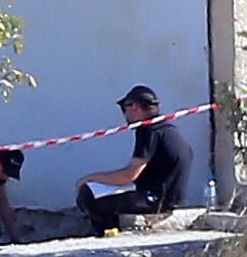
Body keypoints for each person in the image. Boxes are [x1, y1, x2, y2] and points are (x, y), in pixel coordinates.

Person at [75, 85, 193, 234]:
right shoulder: (167, 128)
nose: (125, 115)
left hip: (154, 199)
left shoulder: (148, 130)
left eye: (125, 108)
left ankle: (107, 236)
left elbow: (129, 175)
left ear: (135, 107)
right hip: (170, 197)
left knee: (87, 194)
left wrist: (90, 178)